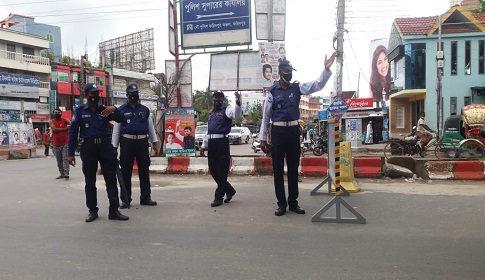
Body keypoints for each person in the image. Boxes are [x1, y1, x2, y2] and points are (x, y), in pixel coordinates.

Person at [259, 52, 337, 216]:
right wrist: (263, 139)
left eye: (291, 71)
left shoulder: (297, 87)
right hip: (278, 132)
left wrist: (325, 70)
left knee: (294, 169)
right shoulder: (272, 92)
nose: (290, 73)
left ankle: (293, 202)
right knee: (278, 170)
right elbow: (266, 117)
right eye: (287, 71)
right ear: (280, 72)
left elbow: (317, 85)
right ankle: (281, 204)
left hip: (294, 131)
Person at [68, 83, 128, 223]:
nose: (95, 96)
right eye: (92, 94)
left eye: (97, 93)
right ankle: (92, 211)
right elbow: (72, 132)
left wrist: (114, 109)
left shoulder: (105, 110)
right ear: (86, 95)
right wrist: (70, 153)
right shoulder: (80, 111)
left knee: (111, 180)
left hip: (105, 146)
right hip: (88, 148)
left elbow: (122, 119)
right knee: (90, 181)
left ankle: (114, 210)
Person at [111, 84, 159, 209]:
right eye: (132, 93)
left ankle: (145, 197)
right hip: (127, 142)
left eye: (136, 93)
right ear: (127, 95)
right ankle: (126, 199)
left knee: (144, 170)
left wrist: (155, 142)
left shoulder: (144, 110)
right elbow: (116, 129)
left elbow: (150, 127)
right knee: (126, 172)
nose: (134, 96)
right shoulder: (120, 110)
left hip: (142, 142)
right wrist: (114, 147)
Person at [200, 90, 242, 207]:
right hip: (212, 143)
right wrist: (204, 145)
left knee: (222, 170)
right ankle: (229, 190)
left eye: (219, 98)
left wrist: (238, 102)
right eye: (215, 97)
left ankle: (218, 197)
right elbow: (209, 131)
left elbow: (236, 115)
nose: (217, 100)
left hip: (222, 142)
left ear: (222, 100)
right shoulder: (211, 113)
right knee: (213, 170)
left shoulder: (226, 110)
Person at [50, 108, 71, 179]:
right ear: (53, 114)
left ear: (61, 113)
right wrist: (65, 129)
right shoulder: (51, 121)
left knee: (65, 158)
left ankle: (66, 173)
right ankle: (62, 173)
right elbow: (54, 129)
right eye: (55, 112)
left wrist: (68, 127)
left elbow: (71, 124)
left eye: (58, 112)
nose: (57, 114)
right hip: (56, 144)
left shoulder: (65, 120)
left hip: (65, 143)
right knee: (59, 160)